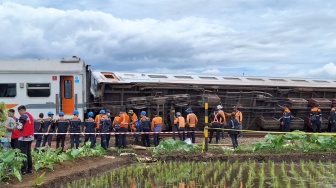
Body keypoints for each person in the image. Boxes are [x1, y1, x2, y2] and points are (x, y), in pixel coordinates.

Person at [17, 105, 34, 174]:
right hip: (30, 137)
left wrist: (16, 125)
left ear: (21, 110)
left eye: (19, 112)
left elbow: (20, 127)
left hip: (24, 138)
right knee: (28, 153)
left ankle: (23, 170)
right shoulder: (30, 116)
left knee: (23, 154)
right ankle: (29, 169)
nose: (19, 114)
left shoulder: (23, 116)